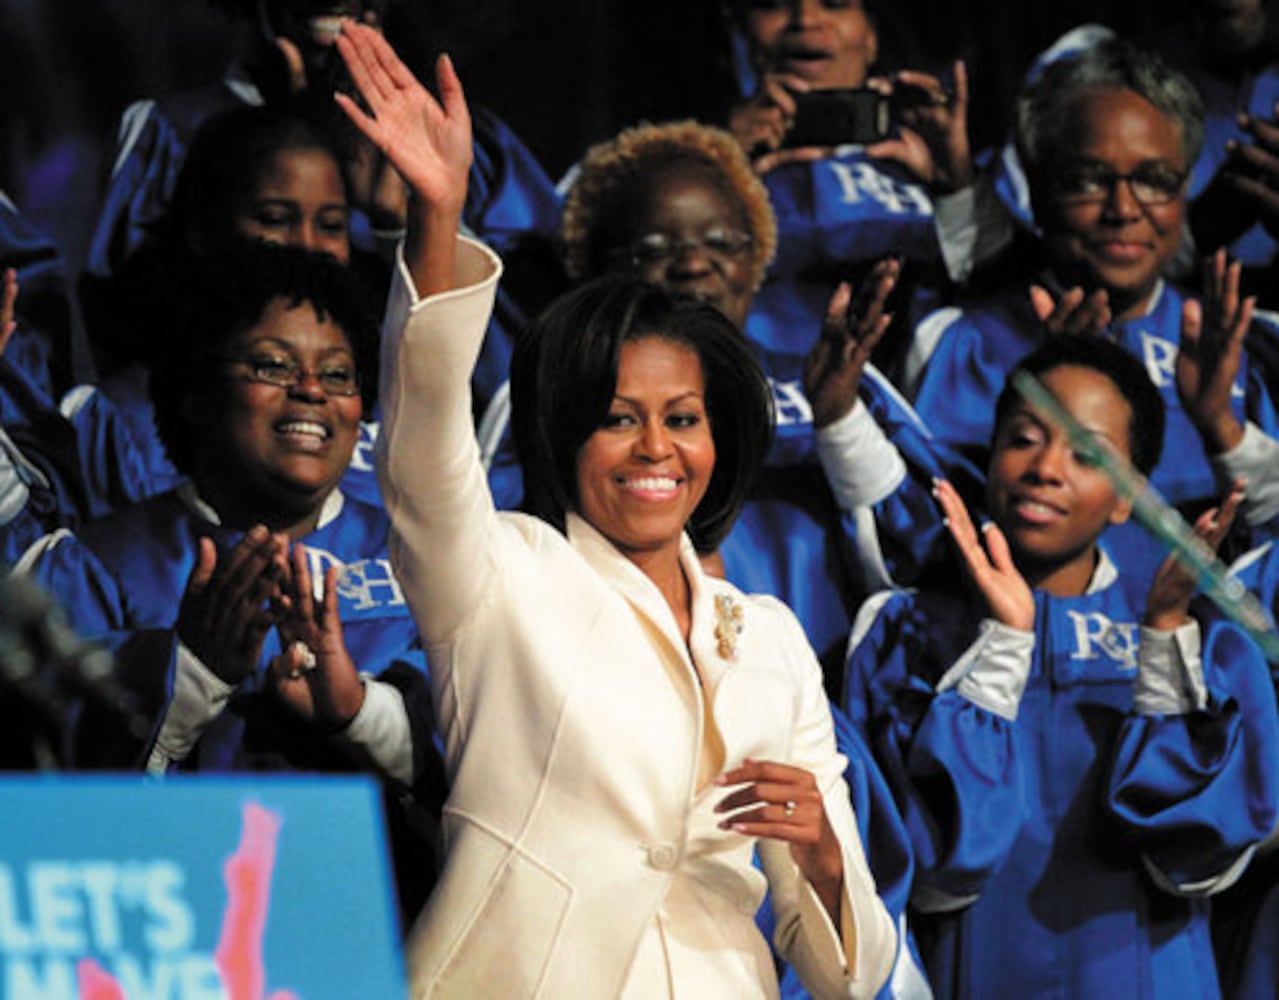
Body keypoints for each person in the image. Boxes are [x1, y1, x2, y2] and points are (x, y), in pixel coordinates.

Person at [332, 20, 897, 996]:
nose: (654, 449)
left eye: (682, 418)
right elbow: (423, 450)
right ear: (562, 437)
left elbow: (847, 974)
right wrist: (439, 218)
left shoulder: (767, 641)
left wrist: (826, 864)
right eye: (617, 418)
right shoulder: (502, 577)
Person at [20, 243, 444, 923]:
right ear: (194, 391)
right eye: (272, 365)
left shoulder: (426, 561)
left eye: (338, 374)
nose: (311, 390)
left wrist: (358, 711)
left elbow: (502, 769)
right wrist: (187, 677)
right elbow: (38, 806)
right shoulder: (90, 567)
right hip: (174, 942)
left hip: (392, 943)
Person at [844, 335, 1279, 998]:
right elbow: (923, 874)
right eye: (1023, 438)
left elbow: (1196, 863)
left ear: (1127, 496)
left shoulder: (1199, 633)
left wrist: (1163, 641)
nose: (1045, 468)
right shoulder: (905, 630)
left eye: (1087, 453)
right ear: (989, 457)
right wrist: (1001, 650)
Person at [906, 38, 1279, 592]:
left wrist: (1223, 433)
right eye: (1088, 179)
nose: (1124, 210)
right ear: (1036, 190)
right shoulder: (961, 344)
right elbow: (924, 541)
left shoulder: (1247, 343)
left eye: (1155, 180)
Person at [722, 0, 977, 381]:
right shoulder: (697, 168)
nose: (805, 19)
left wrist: (957, 187)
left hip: (922, 414)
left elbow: (1003, 301)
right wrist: (717, 165)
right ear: (740, 33)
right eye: (774, 3)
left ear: (871, 36)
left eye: (835, 2)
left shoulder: (930, 157)